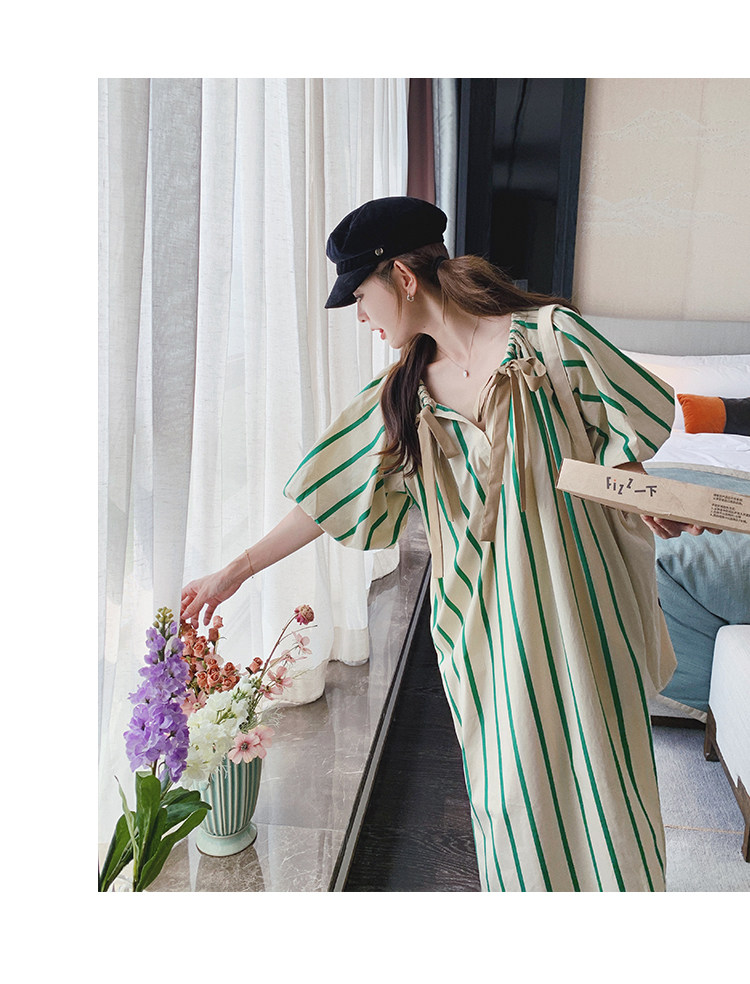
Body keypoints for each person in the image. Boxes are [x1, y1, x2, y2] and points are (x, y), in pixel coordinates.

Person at [181, 196, 713, 892]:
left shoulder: (552, 340)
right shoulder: (401, 396)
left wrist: (644, 493)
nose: (362, 316)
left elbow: (622, 441)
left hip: (582, 612)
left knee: (612, 795)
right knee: (513, 808)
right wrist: (237, 570)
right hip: (485, 635)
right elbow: (325, 498)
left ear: (402, 277)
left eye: (361, 295)